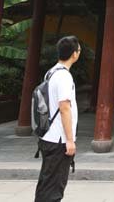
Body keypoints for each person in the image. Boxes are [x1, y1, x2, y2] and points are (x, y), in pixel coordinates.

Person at [35, 35, 81, 202]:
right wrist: (70, 140)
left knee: (47, 182)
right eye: (79, 50)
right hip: (58, 139)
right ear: (74, 54)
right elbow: (64, 108)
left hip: (48, 135)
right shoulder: (64, 77)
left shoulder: (51, 72)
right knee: (54, 187)